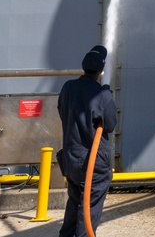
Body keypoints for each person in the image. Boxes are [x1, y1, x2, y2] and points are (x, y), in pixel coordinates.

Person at [57, 45, 117, 237]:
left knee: (74, 205)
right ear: (101, 71)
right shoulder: (103, 96)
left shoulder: (67, 88)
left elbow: (62, 111)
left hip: (71, 160)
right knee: (88, 210)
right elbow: (109, 125)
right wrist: (106, 95)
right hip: (93, 163)